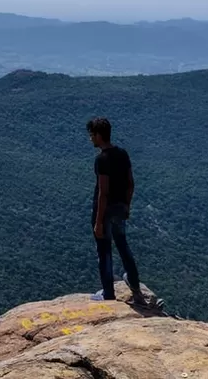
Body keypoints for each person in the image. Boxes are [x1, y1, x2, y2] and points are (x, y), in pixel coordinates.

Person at [87, 117, 146, 304]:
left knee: (104, 251)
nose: (91, 139)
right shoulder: (123, 154)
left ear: (99, 135)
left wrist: (98, 222)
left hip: (105, 212)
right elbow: (130, 183)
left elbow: (103, 192)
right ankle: (136, 290)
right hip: (120, 209)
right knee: (123, 247)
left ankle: (108, 294)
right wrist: (127, 206)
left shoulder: (101, 160)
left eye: (92, 135)